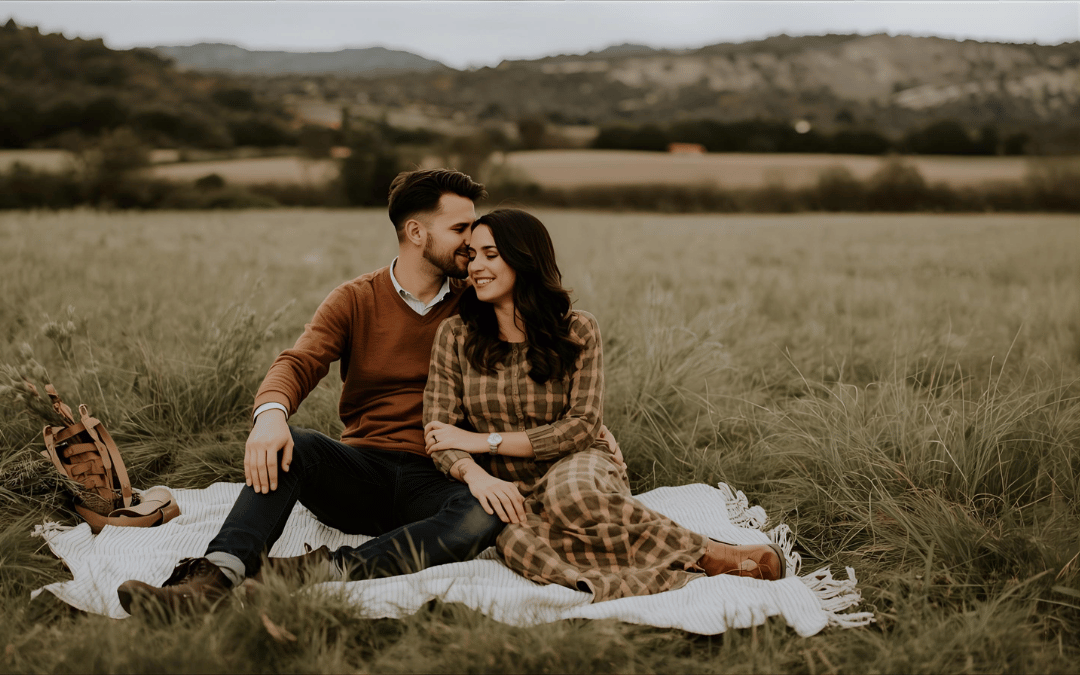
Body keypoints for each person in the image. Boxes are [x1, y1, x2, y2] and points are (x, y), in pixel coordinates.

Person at [116, 170, 622, 614]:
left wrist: (593, 431)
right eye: (461, 229)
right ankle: (212, 579)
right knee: (296, 445)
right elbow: (299, 361)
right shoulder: (355, 299)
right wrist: (268, 417)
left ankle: (310, 573)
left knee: (482, 513)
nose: (473, 243)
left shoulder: (480, 299)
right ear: (416, 232)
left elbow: (545, 351)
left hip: (440, 474)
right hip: (362, 469)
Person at [422, 209, 786, 602]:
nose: (476, 266)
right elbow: (440, 432)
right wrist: (476, 474)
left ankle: (709, 554)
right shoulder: (456, 335)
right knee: (519, 546)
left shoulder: (578, 329)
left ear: (523, 257)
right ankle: (684, 580)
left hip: (579, 465)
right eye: (472, 255)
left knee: (571, 495)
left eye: (490, 254)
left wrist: (484, 442)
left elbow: (580, 426)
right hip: (510, 484)